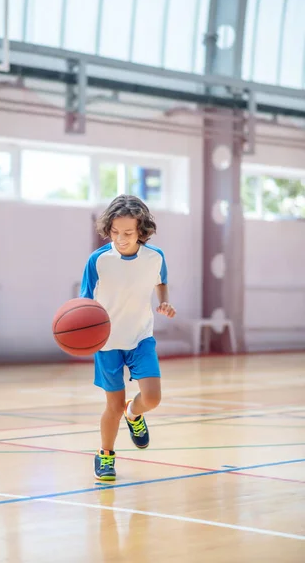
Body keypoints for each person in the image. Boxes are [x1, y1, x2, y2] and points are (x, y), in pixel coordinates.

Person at [80, 194, 176, 481]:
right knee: (112, 405)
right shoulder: (98, 260)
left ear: (141, 231)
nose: (120, 238)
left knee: (153, 398)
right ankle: (105, 455)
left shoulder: (154, 257)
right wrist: (85, 334)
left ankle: (134, 414)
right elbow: (84, 302)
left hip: (140, 336)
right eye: (115, 232)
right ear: (108, 228)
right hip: (107, 342)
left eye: (128, 233)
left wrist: (164, 302)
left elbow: (161, 281)